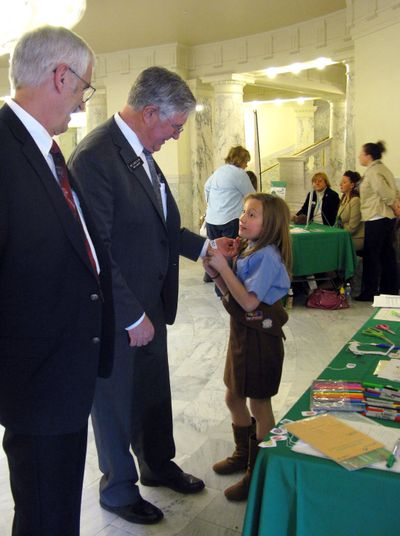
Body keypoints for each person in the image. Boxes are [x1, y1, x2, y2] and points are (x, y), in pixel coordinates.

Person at [68, 66, 238, 525]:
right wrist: (128, 315)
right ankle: (118, 489)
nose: (176, 136)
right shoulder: (96, 156)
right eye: (174, 126)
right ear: (149, 113)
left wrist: (203, 247)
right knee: (115, 401)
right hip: (119, 311)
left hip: (150, 303)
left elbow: (158, 224)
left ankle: (157, 465)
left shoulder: (140, 148)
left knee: (151, 392)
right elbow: (96, 249)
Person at [0, 26, 115, 536]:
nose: (81, 103)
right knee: (45, 516)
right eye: (83, 88)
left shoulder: (44, 149)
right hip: (35, 380)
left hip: (64, 373)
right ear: (60, 76)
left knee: (58, 509)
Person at [203, 193, 291, 501]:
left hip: (260, 339)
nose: (243, 217)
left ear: (270, 225)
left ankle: (260, 470)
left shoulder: (267, 255)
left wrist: (224, 268)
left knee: (259, 403)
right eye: (244, 211)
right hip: (242, 334)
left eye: (252, 214)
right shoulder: (250, 250)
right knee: (233, 396)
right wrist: (217, 269)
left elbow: (250, 301)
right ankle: (244, 452)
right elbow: (232, 293)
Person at [356, 141, 399, 301]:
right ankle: (389, 291)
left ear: (368, 156)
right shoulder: (382, 168)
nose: (359, 156)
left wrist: (394, 206)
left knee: (372, 256)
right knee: (387, 255)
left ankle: (369, 292)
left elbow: (385, 192)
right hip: (384, 217)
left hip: (377, 216)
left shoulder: (374, 171)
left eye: (361, 153)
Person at [204, 145, 255, 242]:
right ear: (240, 160)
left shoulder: (219, 171)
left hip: (211, 220)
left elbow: (206, 187)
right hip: (230, 221)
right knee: (231, 252)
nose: (246, 165)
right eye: (246, 162)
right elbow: (252, 196)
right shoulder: (240, 173)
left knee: (215, 253)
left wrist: (211, 205)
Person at [336, 170, 364, 252]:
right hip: (344, 235)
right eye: (341, 182)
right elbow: (338, 220)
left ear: (352, 185)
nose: (340, 184)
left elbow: (352, 228)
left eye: (344, 182)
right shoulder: (344, 198)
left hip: (355, 238)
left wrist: (340, 229)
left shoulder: (355, 200)